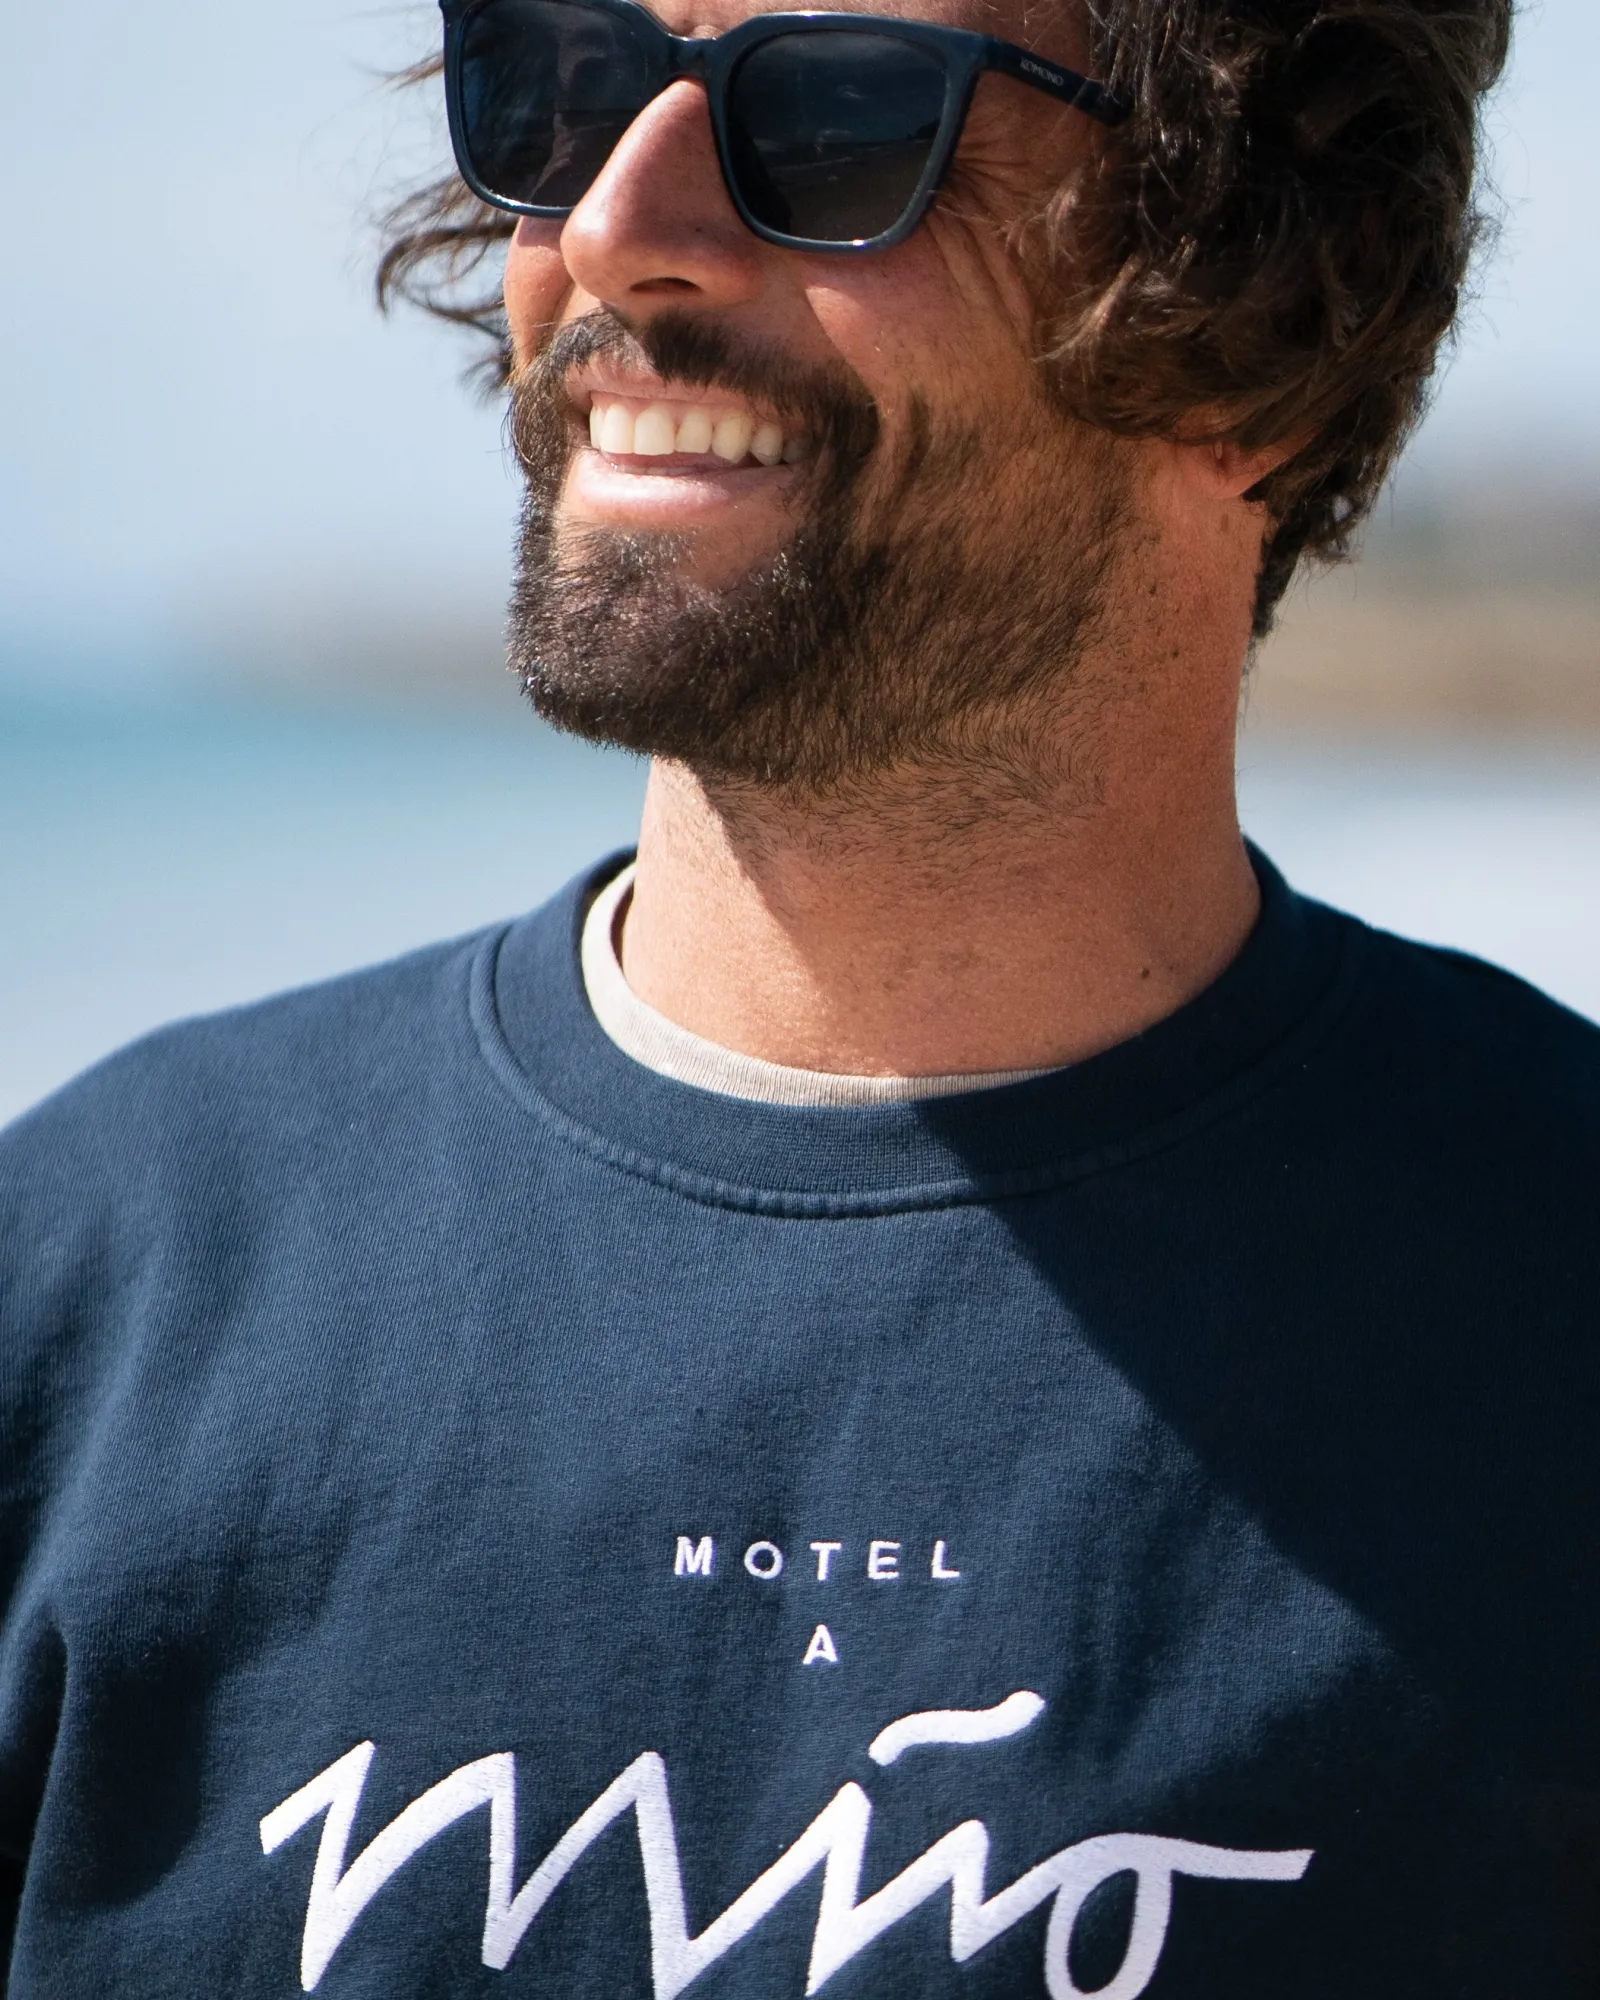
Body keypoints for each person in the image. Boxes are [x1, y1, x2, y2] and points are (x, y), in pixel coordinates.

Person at [5, 0, 1596, 1990]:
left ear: (1276, 306)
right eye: (561, 88)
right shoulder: (84, 1299)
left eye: (839, 116)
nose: (615, 224)